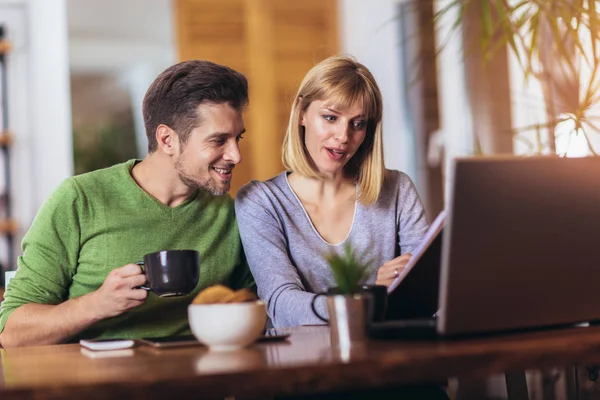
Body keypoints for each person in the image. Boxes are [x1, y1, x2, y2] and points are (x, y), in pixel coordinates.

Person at [0, 60, 254, 348]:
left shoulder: (233, 214)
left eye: (237, 139)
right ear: (167, 139)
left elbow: (257, 308)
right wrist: (96, 304)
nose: (235, 155)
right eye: (219, 140)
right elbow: (12, 332)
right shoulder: (79, 200)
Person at [235, 55, 429, 329]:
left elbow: (430, 296)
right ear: (301, 113)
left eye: (358, 124)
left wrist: (412, 281)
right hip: (303, 365)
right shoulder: (261, 202)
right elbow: (281, 305)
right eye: (330, 117)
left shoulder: (398, 190)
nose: (343, 136)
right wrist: (368, 298)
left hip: (385, 359)